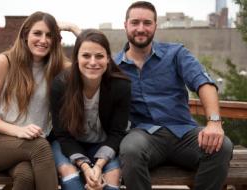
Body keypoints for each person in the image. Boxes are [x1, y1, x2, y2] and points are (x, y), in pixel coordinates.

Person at [114, 1, 233, 190]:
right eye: (135, 22)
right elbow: (83, 65)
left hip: (183, 133)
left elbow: (204, 84)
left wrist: (214, 122)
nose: (141, 28)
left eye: (147, 23)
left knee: (222, 146)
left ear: (155, 26)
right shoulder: (113, 66)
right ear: (125, 25)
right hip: (144, 136)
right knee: (130, 150)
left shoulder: (176, 53)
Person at [0, 11, 80, 190]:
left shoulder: (57, 67)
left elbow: (94, 64)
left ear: (56, 40)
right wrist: (17, 131)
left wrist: (75, 30)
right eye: (37, 33)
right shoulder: (4, 62)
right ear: (25, 35)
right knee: (41, 147)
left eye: (49, 35)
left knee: (25, 176)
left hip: (27, 146)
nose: (43, 40)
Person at [50, 29, 131, 190]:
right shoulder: (61, 85)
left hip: (104, 143)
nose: (93, 62)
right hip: (68, 143)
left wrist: (98, 166)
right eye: (86, 56)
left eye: (99, 56)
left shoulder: (121, 86)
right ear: (77, 58)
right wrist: (85, 166)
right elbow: (62, 134)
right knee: (72, 180)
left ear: (108, 58)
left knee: (111, 181)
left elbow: (117, 133)